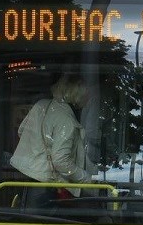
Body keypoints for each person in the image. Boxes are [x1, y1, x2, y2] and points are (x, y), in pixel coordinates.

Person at [10, 76, 91, 207]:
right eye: (88, 93)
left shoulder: (41, 105)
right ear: (78, 95)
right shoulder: (67, 121)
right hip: (45, 187)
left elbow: (22, 131)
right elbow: (60, 161)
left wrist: (38, 153)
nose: (89, 97)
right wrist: (85, 178)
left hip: (23, 179)